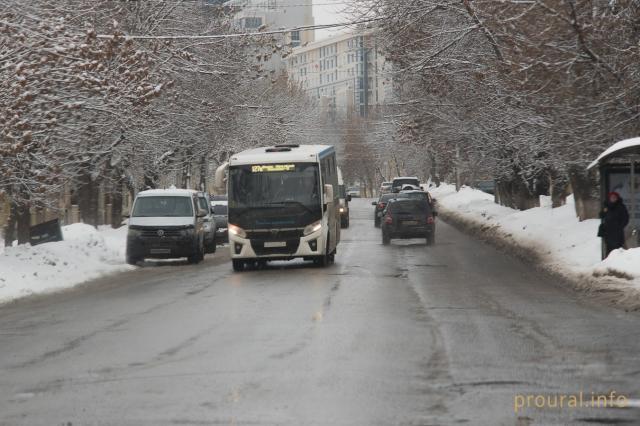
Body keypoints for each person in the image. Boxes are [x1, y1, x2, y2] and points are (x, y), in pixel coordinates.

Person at [599, 191, 629, 256]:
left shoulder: (621, 207)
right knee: (608, 248)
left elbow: (626, 218)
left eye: (614, 197)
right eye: (611, 197)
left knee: (617, 249)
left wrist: (620, 226)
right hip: (608, 232)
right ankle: (608, 262)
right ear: (609, 198)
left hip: (617, 232)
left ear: (617, 198)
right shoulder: (606, 206)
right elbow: (601, 215)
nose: (613, 199)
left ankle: (617, 262)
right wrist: (604, 211)